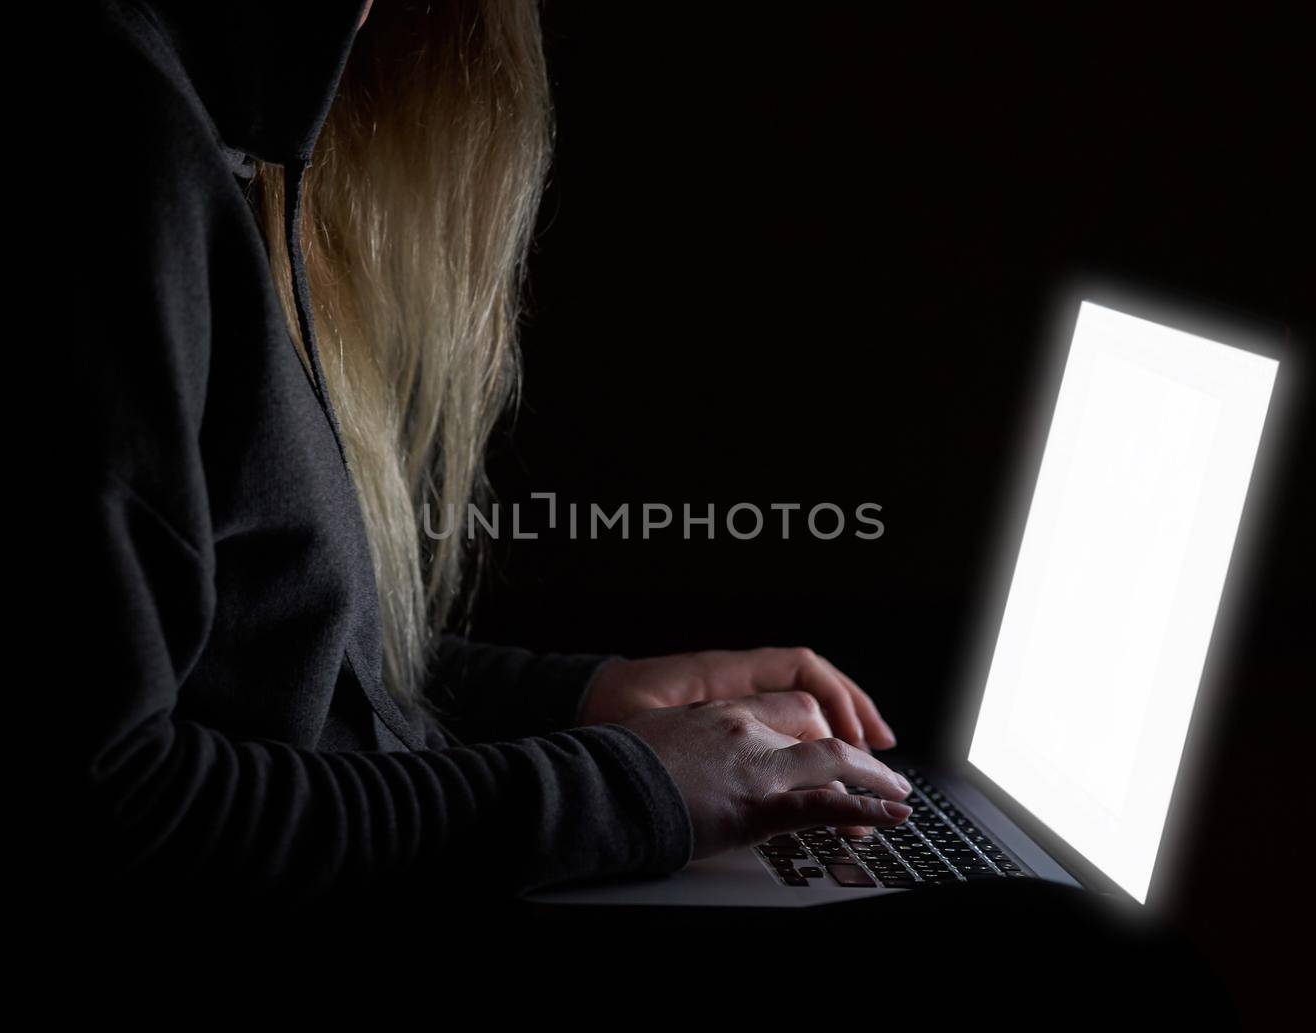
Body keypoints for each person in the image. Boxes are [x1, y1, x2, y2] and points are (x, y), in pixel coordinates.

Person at [71, 0, 916, 907]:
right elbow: (113, 810)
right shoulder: (112, 136)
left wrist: (586, 700)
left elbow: (272, 671)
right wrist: (631, 787)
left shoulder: (207, 119)